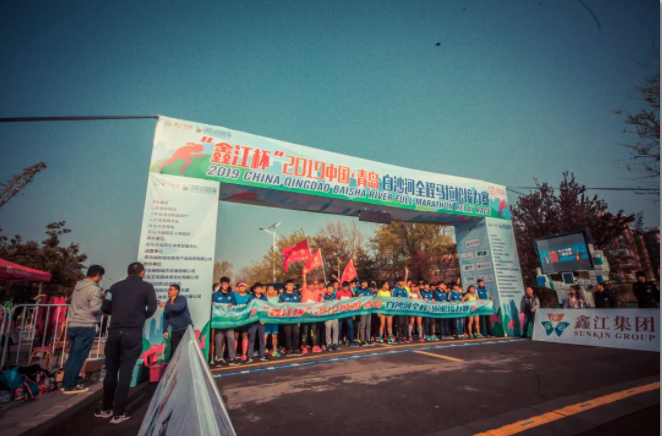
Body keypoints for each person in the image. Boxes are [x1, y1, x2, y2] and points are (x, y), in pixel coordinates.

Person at [96, 262, 157, 424]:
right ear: (142, 273)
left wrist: (118, 311)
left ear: (127, 272)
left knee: (111, 371)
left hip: (114, 332)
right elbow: (152, 308)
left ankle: (106, 408)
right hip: (133, 332)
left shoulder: (115, 287)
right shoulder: (147, 287)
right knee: (126, 372)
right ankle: (119, 412)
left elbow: (105, 307)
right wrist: (140, 316)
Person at [61, 264, 105, 394]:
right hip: (85, 324)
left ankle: (66, 382)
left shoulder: (78, 286)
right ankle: (70, 385)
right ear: (97, 275)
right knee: (79, 356)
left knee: (73, 355)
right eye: (101, 276)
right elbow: (95, 308)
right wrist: (105, 309)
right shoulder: (93, 288)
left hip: (73, 323)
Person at [159, 284, 192, 357]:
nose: (169, 291)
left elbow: (178, 308)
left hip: (185, 328)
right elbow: (166, 317)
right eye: (169, 289)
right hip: (175, 329)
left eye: (171, 289)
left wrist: (165, 305)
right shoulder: (168, 303)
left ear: (177, 291)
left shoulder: (182, 299)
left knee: (187, 349)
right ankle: (174, 364)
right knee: (174, 350)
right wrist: (165, 330)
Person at [212, 278, 239, 366]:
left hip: (229, 321)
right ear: (220, 284)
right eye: (224, 284)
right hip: (219, 322)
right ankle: (219, 359)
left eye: (227, 284)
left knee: (231, 339)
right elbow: (211, 306)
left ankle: (232, 358)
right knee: (219, 340)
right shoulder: (215, 295)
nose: (226, 286)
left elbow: (235, 305)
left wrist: (232, 304)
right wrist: (213, 305)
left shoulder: (231, 294)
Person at [300, 274, 323, 353]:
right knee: (305, 332)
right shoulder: (305, 291)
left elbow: (316, 304)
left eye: (314, 285)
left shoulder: (314, 294)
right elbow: (304, 282)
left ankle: (314, 346)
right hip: (305, 315)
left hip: (312, 315)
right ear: (308, 286)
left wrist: (320, 299)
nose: (313, 286)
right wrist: (304, 274)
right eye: (312, 285)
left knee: (313, 331)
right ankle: (304, 347)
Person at [246, 283, 268, 363]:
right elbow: (247, 308)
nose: (259, 289)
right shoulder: (251, 298)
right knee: (252, 338)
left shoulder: (264, 298)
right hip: (253, 321)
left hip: (261, 321)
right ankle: (250, 356)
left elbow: (266, 309)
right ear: (254, 289)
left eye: (260, 288)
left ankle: (262, 355)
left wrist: (264, 319)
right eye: (257, 288)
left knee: (262, 338)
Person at [279, 280, 302, 356]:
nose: (290, 287)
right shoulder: (282, 295)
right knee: (287, 334)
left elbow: (301, 303)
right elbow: (279, 305)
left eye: (292, 285)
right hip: (286, 318)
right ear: (286, 286)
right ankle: (289, 349)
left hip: (295, 317)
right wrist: (283, 304)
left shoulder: (296, 294)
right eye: (289, 285)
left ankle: (296, 348)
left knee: (296, 333)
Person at [233, 282, 254, 360]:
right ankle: (234, 354)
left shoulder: (249, 296)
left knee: (245, 336)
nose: (242, 288)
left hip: (245, 320)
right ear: (238, 288)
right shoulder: (234, 295)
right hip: (236, 320)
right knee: (235, 337)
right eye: (240, 286)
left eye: (244, 287)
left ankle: (244, 354)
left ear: (246, 288)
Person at [337, 281, 358, 347]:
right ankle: (337, 342)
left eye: (348, 287)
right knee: (339, 328)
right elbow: (336, 303)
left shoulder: (349, 293)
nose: (347, 288)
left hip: (348, 313)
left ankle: (351, 341)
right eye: (346, 287)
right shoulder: (338, 293)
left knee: (350, 327)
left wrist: (353, 313)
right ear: (342, 287)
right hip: (340, 313)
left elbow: (351, 303)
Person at [392, 267, 410, 344]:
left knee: (406, 323)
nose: (402, 282)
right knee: (400, 323)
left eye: (403, 281)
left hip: (405, 308)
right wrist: (397, 298)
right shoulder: (395, 289)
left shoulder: (405, 289)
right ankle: (400, 336)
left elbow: (407, 298)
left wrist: (406, 273)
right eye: (400, 281)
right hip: (399, 309)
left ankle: (405, 336)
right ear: (398, 282)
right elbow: (393, 299)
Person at [356, 279, 374, 346]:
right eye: (365, 283)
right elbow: (355, 300)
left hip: (369, 309)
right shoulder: (358, 291)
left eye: (367, 283)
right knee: (362, 325)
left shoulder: (368, 290)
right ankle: (362, 340)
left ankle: (368, 339)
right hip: (362, 310)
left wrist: (373, 296)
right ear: (362, 283)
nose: (366, 284)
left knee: (368, 325)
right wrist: (358, 297)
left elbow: (371, 298)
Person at [264, 285, 281, 357]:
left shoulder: (277, 299)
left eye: (272, 289)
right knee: (265, 336)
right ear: (267, 291)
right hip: (266, 320)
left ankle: (275, 350)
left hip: (274, 320)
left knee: (274, 336)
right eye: (269, 289)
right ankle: (263, 351)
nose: (271, 291)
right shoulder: (264, 299)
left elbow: (281, 307)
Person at [323, 283, 340, 351]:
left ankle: (335, 343)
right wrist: (323, 302)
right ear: (327, 289)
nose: (331, 289)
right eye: (329, 288)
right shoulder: (324, 297)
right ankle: (329, 344)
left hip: (335, 315)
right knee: (328, 330)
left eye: (332, 288)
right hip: (328, 316)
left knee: (335, 330)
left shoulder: (334, 296)